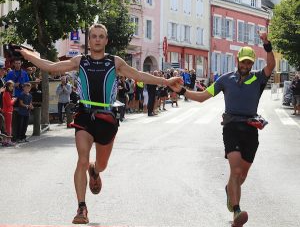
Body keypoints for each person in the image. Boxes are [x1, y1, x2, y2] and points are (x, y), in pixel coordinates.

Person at [17, 23, 181, 224]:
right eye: (93, 36)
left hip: (107, 117)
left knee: (101, 164)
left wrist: (166, 82)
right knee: (82, 160)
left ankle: (95, 171)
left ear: (106, 40)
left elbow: (139, 76)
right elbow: (51, 67)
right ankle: (81, 208)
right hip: (84, 115)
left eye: (100, 36)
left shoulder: (115, 62)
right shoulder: (80, 61)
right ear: (89, 39)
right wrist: (29, 55)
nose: (96, 39)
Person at [169, 32, 275, 227]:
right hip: (232, 127)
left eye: (249, 63)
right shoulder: (225, 80)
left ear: (252, 64)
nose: (245, 66)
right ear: (237, 61)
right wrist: (182, 91)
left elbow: (271, 65)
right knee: (235, 170)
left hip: (251, 129)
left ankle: (230, 190)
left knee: (241, 176)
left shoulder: (258, 78)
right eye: (243, 62)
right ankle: (237, 211)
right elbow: (202, 97)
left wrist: (267, 44)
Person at [2, 80, 17, 146]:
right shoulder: (7, 93)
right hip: (8, 111)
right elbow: (9, 103)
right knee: (8, 127)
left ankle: (5, 140)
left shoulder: (6, 93)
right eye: (11, 86)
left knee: (6, 127)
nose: (12, 88)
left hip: (6, 111)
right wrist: (14, 100)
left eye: (13, 86)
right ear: (7, 86)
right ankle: (9, 141)